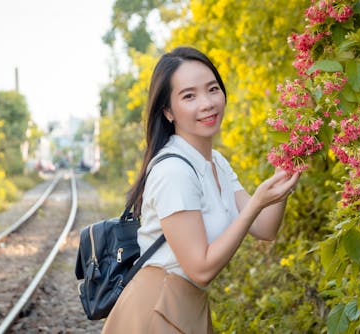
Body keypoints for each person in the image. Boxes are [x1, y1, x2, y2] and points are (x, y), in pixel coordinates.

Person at [101, 46, 300, 333]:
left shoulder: (214, 162)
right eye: (189, 96)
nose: (207, 103)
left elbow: (265, 227)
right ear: (168, 111)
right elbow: (201, 268)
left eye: (212, 89)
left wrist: (285, 174)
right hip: (155, 309)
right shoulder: (174, 172)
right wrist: (256, 203)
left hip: (186, 306)